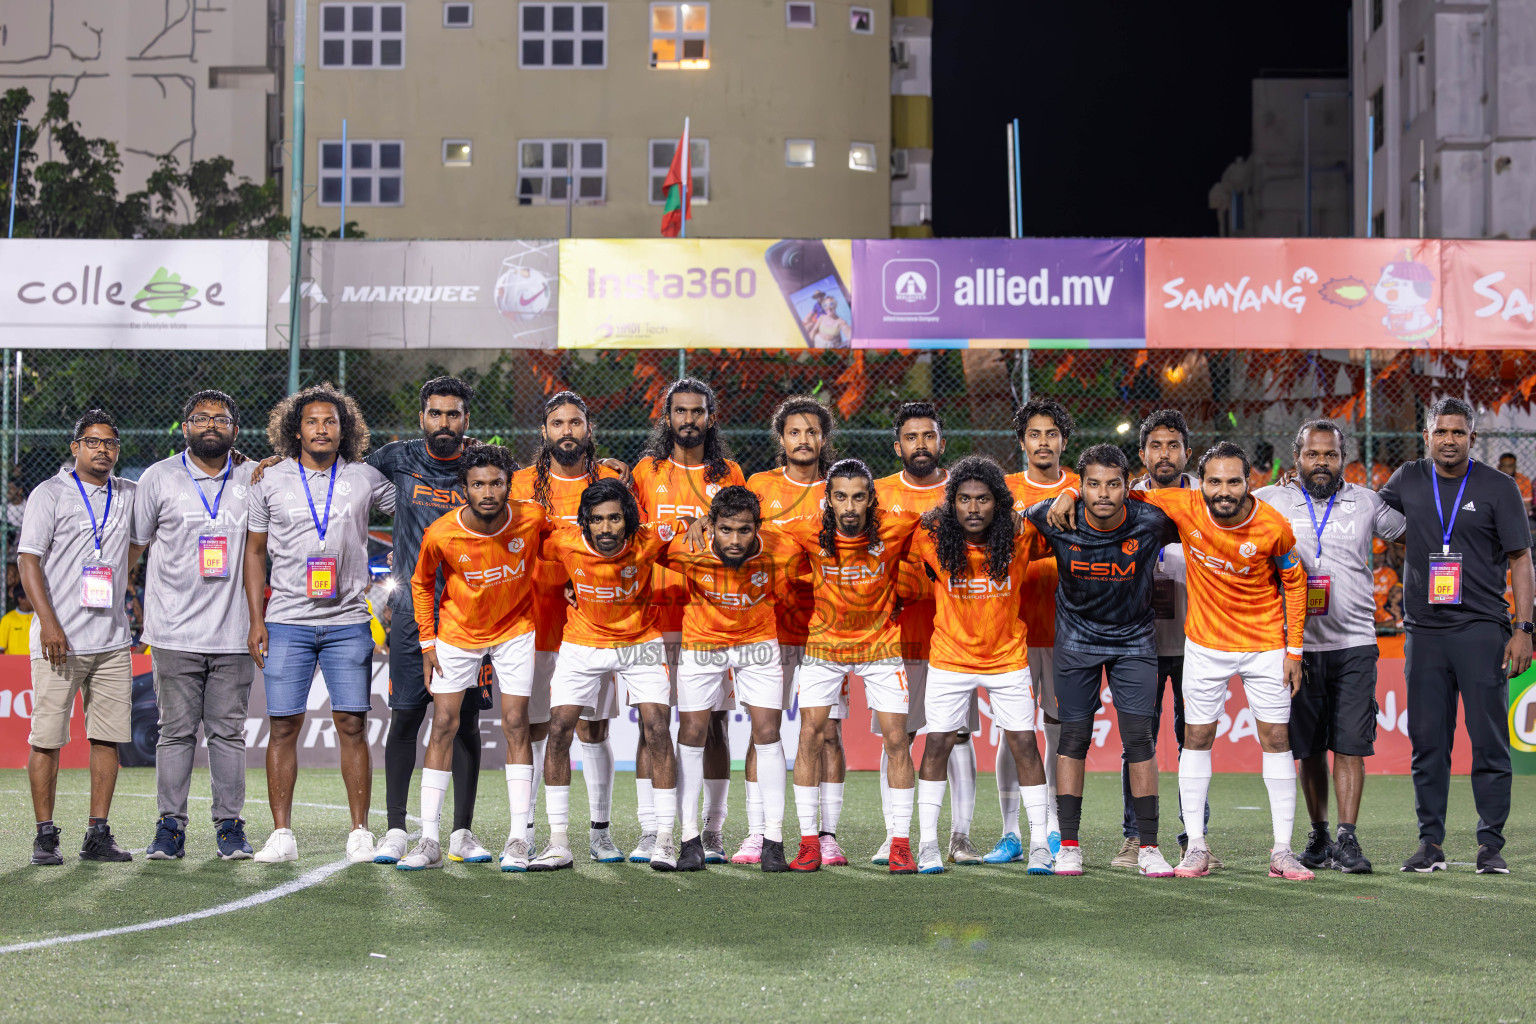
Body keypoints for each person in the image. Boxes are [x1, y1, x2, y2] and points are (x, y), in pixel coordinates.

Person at [1048, 440, 1312, 881]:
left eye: (1233, 481)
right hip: (1205, 645)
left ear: (1250, 483)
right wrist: (1071, 492)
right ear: (1201, 483)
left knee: (1277, 740)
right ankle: (1196, 847)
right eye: (1214, 481)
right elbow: (1116, 490)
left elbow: (1296, 581)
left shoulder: (1273, 525)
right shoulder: (1181, 503)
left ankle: (1282, 851)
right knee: (1197, 738)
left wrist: (1295, 649)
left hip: (1265, 644)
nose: (1223, 490)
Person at [1379, 397, 1533, 875]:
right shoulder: (1406, 478)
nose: (1449, 440)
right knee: (1428, 742)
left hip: (1482, 628)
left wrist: (1524, 627)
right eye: (1441, 432)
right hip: (1424, 632)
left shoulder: (1498, 486)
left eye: (1458, 433)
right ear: (1427, 436)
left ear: (1472, 437)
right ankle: (1430, 843)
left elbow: (1521, 560)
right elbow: (1369, 511)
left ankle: (1490, 844)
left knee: (1488, 740)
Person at [243, 384, 394, 864]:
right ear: (296, 429)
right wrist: (256, 619)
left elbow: (413, 503)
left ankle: (360, 832)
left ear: (343, 428)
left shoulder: (365, 477)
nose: (322, 428)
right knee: (283, 726)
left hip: (349, 618)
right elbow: (253, 552)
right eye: (312, 421)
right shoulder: (267, 478)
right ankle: (282, 834)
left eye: (331, 421)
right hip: (286, 619)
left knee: (352, 723)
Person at [1254, 420, 1406, 874]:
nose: (1322, 462)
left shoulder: (1367, 501)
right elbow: (1224, 509)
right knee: (1309, 748)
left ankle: (1347, 838)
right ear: (1296, 456)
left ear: (1343, 459)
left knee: (1351, 745)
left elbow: (1409, 531)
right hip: (1296, 646)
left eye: (1331, 455)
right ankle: (1319, 836)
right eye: (1313, 454)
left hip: (1356, 641)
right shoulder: (1271, 500)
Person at [404, 444, 563, 872]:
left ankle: (517, 838)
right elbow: (421, 584)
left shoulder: (531, 518)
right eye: (478, 484)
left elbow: (565, 545)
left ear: (509, 485)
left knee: (517, 724)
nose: (488, 492)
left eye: (496, 483)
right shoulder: (441, 533)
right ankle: (430, 841)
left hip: (515, 630)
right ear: (465, 488)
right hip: (458, 633)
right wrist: (426, 641)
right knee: (443, 725)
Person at [1025, 444, 1179, 878]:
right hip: (1076, 642)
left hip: (1134, 642)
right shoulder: (1054, 516)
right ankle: (1069, 845)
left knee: (1140, 742)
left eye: (1114, 484)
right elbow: (1006, 515)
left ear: (1128, 487)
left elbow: (1193, 507)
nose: (1104, 493)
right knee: (1073, 740)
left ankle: (1149, 846)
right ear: (1081, 486)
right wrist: (1064, 497)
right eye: (1092, 484)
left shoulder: (1150, 520)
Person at [531, 479, 689, 871]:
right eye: (597, 520)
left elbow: (688, 526)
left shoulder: (649, 540)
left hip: (640, 641)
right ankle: (558, 843)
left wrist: (695, 525)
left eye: (614, 519)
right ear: (585, 521)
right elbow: (525, 538)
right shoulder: (566, 543)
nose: (605, 529)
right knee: (558, 730)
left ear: (628, 519)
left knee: (657, 727)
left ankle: (665, 839)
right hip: (583, 643)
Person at [773, 458, 923, 873]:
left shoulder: (895, 527)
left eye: (859, 496)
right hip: (824, 648)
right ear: (829, 500)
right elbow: (759, 532)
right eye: (841, 497)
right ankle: (808, 843)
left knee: (897, 740)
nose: (850, 506)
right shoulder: (806, 530)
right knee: (809, 736)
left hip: (880, 648)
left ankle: (900, 844)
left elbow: (938, 517)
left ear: (872, 499)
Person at [132, 390, 258, 861]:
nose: (210, 425)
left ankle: (229, 826)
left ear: (235, 430)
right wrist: (140, 610)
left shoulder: (255, 475)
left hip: (233, 632)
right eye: (200, 418)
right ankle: (170, 826)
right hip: (172, 633)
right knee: (174, 733)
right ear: (184, 426)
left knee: (227, 734)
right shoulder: (157, 477)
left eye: (220, 418)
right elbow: (135, 546)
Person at [911, 456, 1052, 875]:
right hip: (950, 658)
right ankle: (928, 845)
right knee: (937, 744)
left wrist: (1052, 502)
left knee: (1025, 744)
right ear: (952, 504)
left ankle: (1041, 844)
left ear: (999, 503)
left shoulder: (1021, 537)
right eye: (964, 499)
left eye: (984, 500)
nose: (973, 508)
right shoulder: (931, 539)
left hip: (1007, 658)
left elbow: (1058, 521)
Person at [511, 391, 629, 863]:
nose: (567, 431)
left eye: (575, 422)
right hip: (535, 622)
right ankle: (530, 831)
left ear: (588, 428)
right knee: (539, 728)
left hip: (594, 625)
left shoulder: (609, 480)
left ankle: (599, 831)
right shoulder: (519, 484)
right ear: (544, 432)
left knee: (593, 729)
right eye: (557, 423)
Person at [630, 379, 744, 864]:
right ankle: (650, 830)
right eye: (681, 411)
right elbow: (629, 540)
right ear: (667, 416)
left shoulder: (731, 472)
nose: (689, 420)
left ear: (710, 417)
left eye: (698, 411)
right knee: (650, 724)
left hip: (711, 616)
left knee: (714, 724)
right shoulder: (646, 471)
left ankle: (711, 831)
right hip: (653, 614)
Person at [20, 409, 141, 865]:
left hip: (111, 640)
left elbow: (144, 534)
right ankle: (45, 835)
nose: (103, 449)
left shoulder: (129, 493)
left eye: (110, 442)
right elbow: (28, 562)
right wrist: (49, 623)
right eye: (93, 442)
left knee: (107, 739)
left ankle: (97, 835)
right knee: (47, 738)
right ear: (75, 448)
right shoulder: (49, 494)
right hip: (60, 638)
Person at [669, 486, 802, 872]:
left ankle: (773, 841)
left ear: (758, 527)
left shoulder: (783, 549)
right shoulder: (685, 547)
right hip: (703, 641)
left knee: (768, 732)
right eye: (725, 529)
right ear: (711, 526)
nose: (735, 539)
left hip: (757, 642)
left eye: (745, 530)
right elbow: (640, 543)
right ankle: (689, 840)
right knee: (693, 731)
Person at [742, 395, 847, 866]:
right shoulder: (760, 486)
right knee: (762, 733)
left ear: (823, 438)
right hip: (767, 626)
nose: (804, 440)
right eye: (794, 432)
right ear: (781, 439)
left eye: (812, 432)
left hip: (826, 629)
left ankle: (825, 834)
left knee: (826, 733)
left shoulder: (842, 489)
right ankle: (756, 833)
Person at [874, 402, 981, 866]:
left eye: (929, 436)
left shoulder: (963, 492)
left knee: (956, 735)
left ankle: (960, 836)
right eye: (911, 437)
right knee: (897, 736)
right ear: (898, 446)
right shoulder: (875, 493)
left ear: (943, 441)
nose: (921, 444)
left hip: (954, 634)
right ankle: (893, 835)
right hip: (895, 635)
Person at [1114, 409, 1214, 870]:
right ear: (1141, 454)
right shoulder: (1127, 499)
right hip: (1140, 642)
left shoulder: (1210, 497)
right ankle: (1135, 836)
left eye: (1173, 445)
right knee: (1139, 742)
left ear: (1187, 453)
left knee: (1194, 741)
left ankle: (1195, 838)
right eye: (1155, 445)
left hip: (1199, 641)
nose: (1164, 454)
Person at [995, 399, 1079, 865]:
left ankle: (1047, 830)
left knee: (1057, 732)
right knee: (1015, 732)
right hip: (1013, 631)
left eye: (1051, 433)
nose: (1043, 442)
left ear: (1064, 441)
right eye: (1034, 434)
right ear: (1022, 441)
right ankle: (1009, 833)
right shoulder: (1004, 490)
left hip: (1068, 632)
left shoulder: (1084, 487)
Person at [1496, 451, 1533, 517]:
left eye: (1509, 466)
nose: (1505, 469)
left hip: (1517, 515)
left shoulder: (1524, 481)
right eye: (1503, 466)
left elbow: (1527, 506)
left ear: (1515, 466)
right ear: (1499, 466)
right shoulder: (1493, 479)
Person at [0, 584, 34, 654]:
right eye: (31, 597)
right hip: (14, 664)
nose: (35, 599)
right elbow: (1, 648)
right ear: (20, 599)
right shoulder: (7, 619)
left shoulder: (40, 617)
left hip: (36, 663)